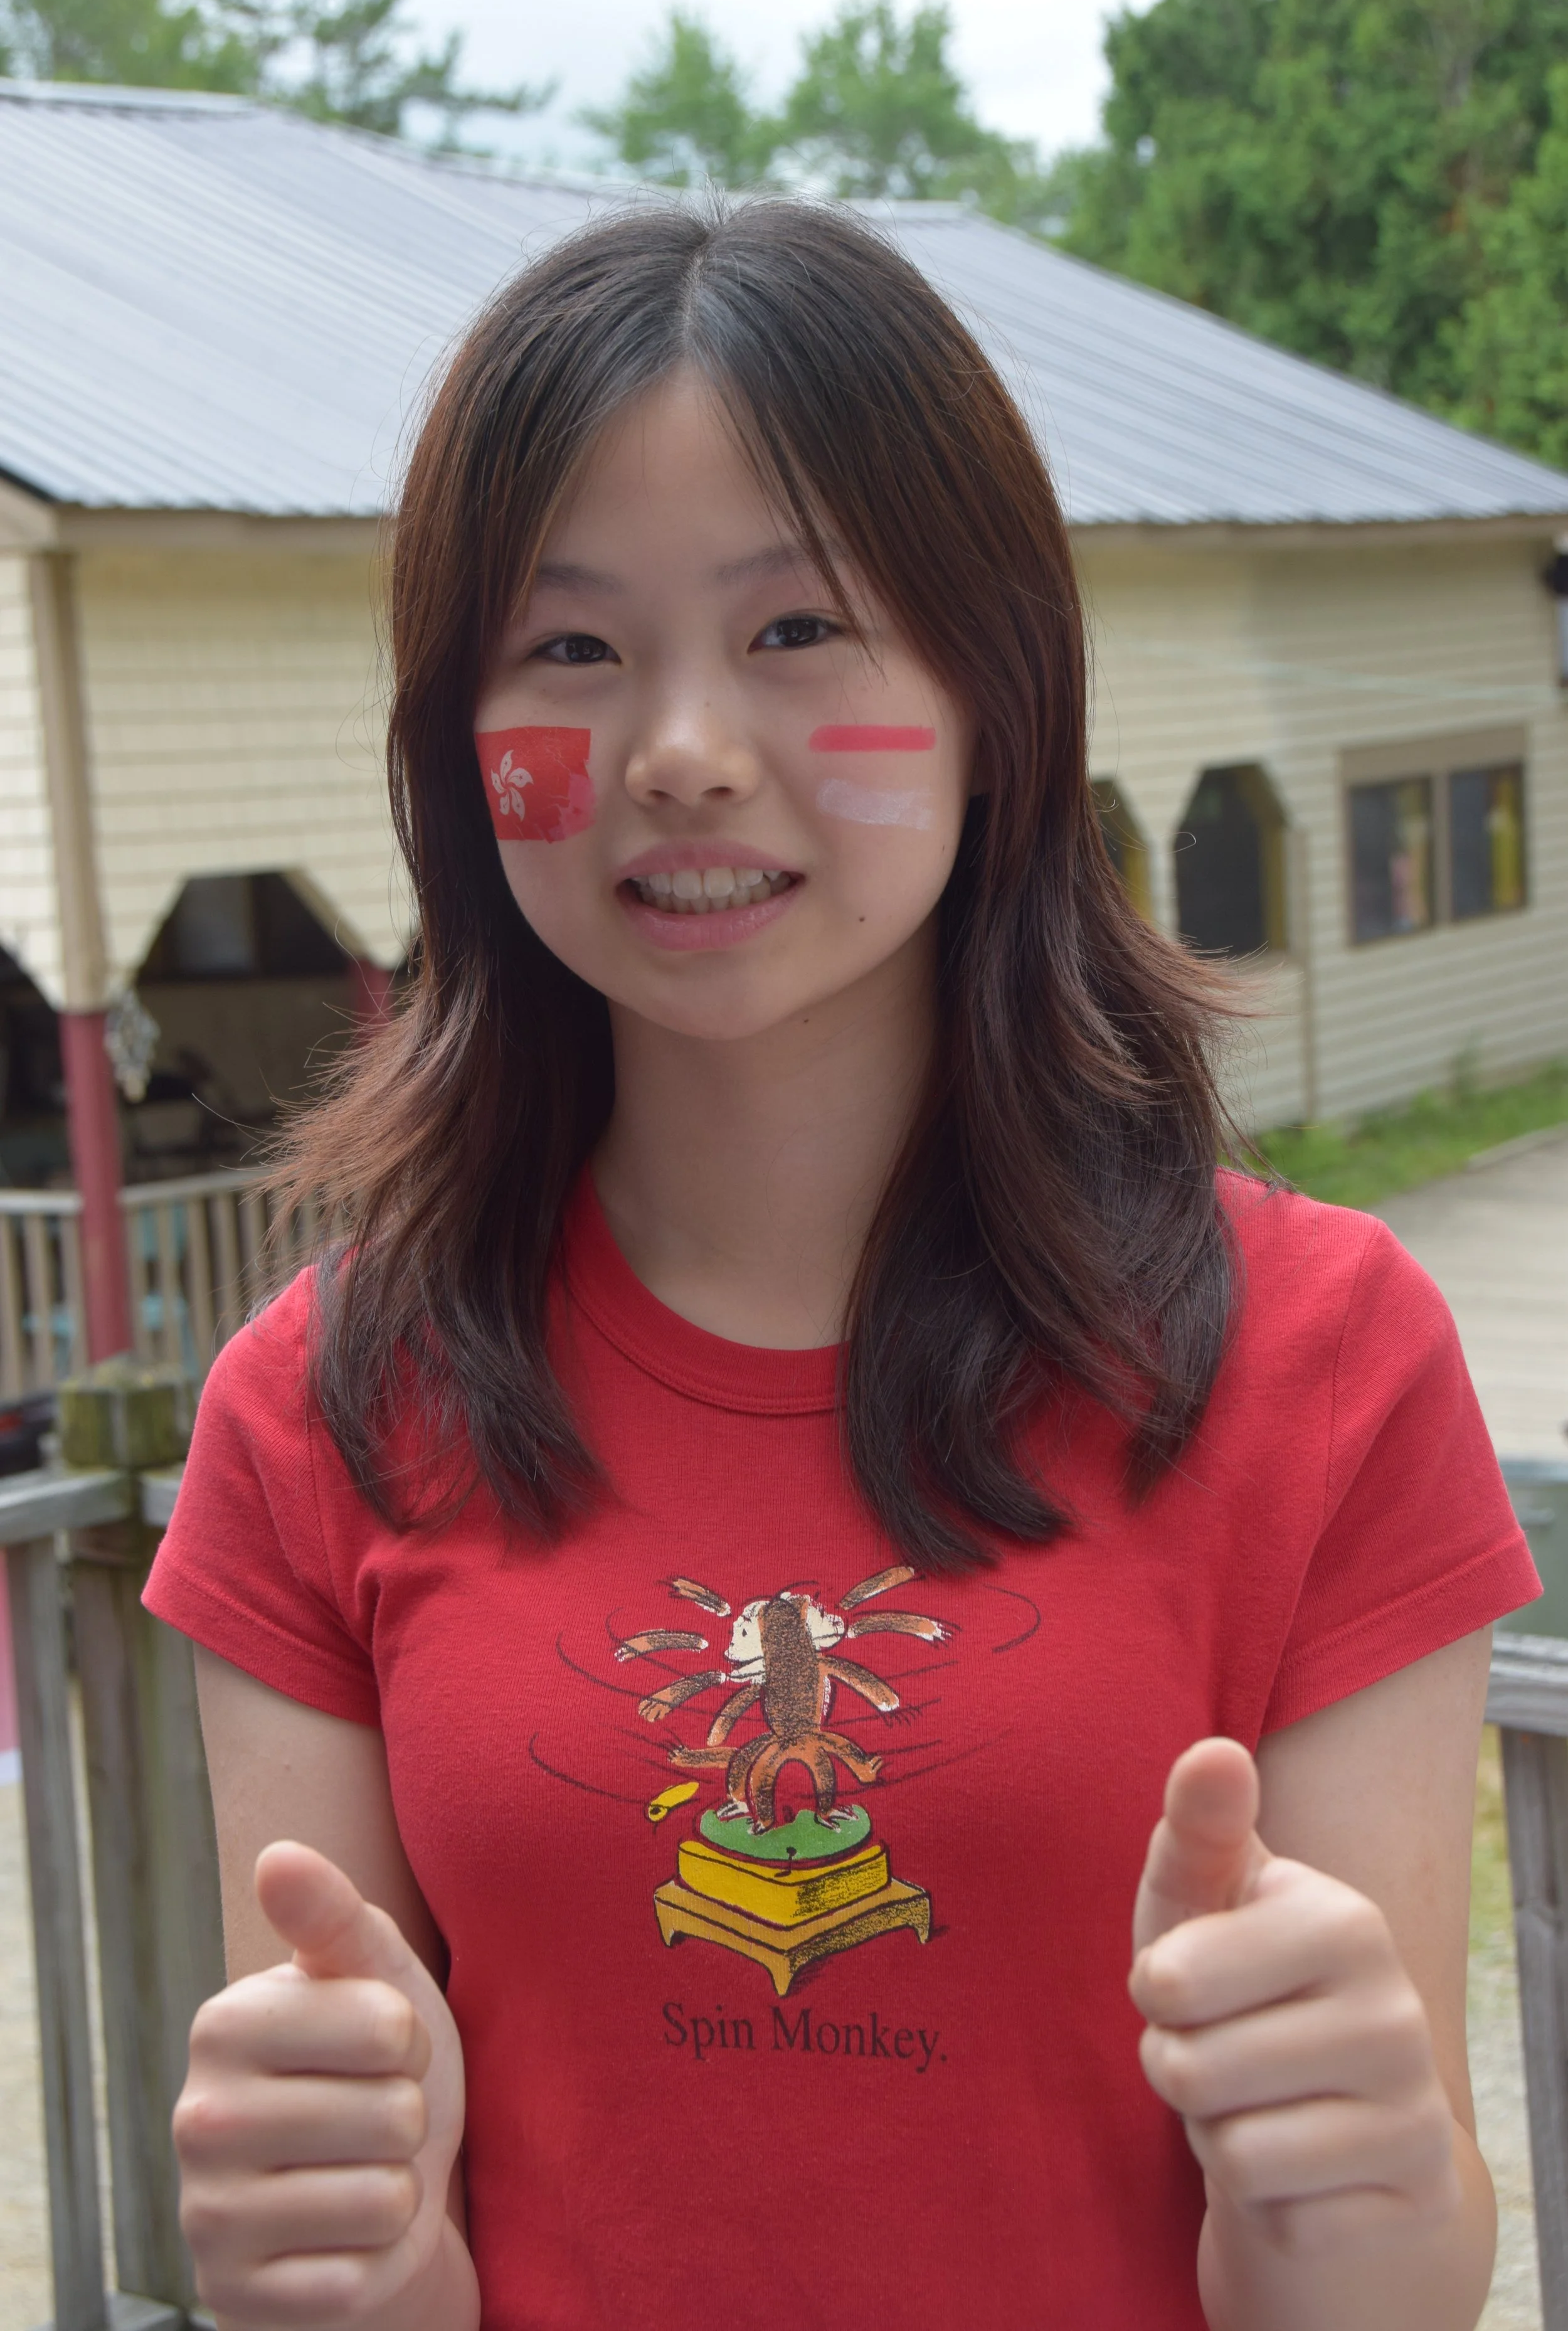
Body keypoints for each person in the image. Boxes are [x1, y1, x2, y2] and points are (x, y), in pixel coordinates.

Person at [143, 197, 1538, 2331]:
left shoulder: (1326, 1359)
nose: (681, 744)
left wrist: (1356, 2173)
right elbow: (373, 2264)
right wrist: (335, 2253)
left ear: (995, 689)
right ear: (457, 748)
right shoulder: (313, 1409)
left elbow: (1380, 2288)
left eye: (799, 630)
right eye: (572, 647)